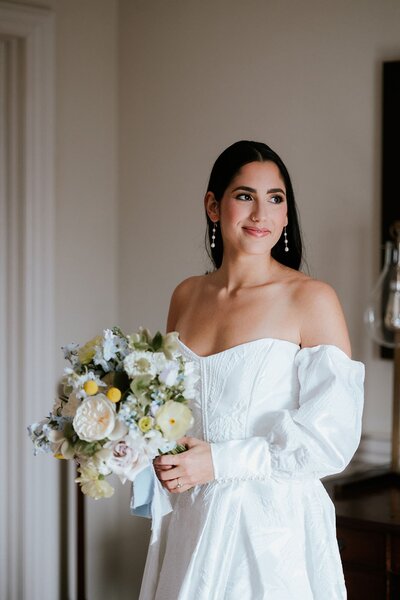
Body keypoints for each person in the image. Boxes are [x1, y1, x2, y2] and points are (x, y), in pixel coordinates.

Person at [138, 140, 364, 599]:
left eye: (275, 199)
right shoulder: (185, 295)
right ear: (213, 205)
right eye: (245, 195)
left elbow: (331, 439)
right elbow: (164, 409)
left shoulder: (312, 299)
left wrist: (220, 461)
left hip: (269, 534)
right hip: (191, 519)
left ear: (286, 215)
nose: (261, 213)